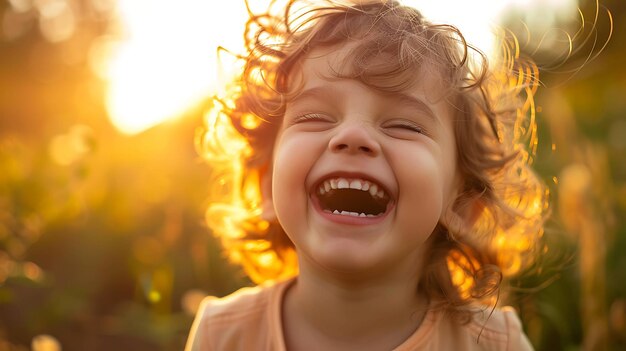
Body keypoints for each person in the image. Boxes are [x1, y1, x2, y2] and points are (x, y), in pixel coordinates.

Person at [186, 0, 547, 349]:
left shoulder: (496, 343)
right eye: (314, 117)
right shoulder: (222, 336)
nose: (353, 136)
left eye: (404, 125)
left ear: (463, 205)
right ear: (265, 185)